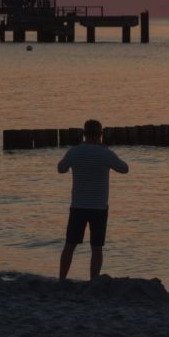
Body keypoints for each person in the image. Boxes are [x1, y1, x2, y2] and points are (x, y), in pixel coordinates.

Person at [57, 119, 129, 280]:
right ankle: (93, 280)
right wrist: (108, 150)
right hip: (99, 207)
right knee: (96, 247)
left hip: (78, 206)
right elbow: (124, 169)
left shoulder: (74, 152)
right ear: (100, 134)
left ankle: (62, 278)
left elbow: (60, 169)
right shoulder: (105, 153)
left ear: (84, 134)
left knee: (70, 244)